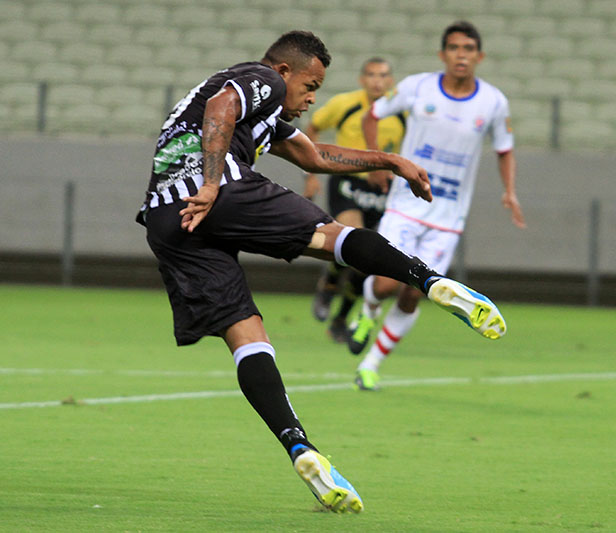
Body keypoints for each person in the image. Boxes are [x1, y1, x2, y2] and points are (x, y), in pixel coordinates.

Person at [136, 30, 506, 514]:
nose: (312, 98)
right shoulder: (262, 78)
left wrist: (391, 160)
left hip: (167, 220)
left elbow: (314, 156)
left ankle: (299, 447)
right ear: (286, 71)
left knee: (246, 335)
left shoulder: (266, 114)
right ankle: (429, 280)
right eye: (311, 85)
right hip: (213, 190)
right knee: (332, 239)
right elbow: (221, 107)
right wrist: (210, 184)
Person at [350, 21, 525, 391]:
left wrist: (510, 191)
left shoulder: (493, 102)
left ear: (480, 56)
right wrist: (376, 163)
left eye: (469, 49)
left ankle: (371, 364)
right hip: (405, 205)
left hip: (448, 217)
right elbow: (372, 115)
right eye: (455, 48)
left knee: (417, 291)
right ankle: (367, 310)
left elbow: (505, 149)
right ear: (443, 54)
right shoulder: (417, 86)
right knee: (384, 285)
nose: (462, 55)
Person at [302, 58, 404, 342]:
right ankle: (330, 285)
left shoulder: (402, 113)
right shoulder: (345, 104)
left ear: (391, 80)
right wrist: (311, 173)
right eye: (371, 75)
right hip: (347, 182)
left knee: (367, 260)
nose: (377, 81)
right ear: (362, 80)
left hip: (382, 187)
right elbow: (313, 128)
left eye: (383, 75)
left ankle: (341, 318)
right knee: (353, 239)